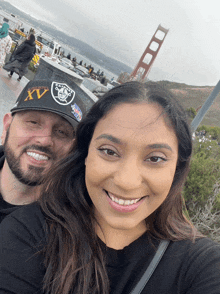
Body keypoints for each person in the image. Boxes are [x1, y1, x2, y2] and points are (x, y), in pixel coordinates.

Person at [0, 81, 219, 294]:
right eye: (109, 151)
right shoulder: (28, 233)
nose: (126, 181)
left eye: (155, 158)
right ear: (85, 154)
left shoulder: (202, 265)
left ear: (177, 169)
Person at [0, 78, 88, 223]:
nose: (45, 140)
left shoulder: (64, 229)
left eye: (62, 132)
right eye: (33, 122)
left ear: (72, 151)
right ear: (7, 126)